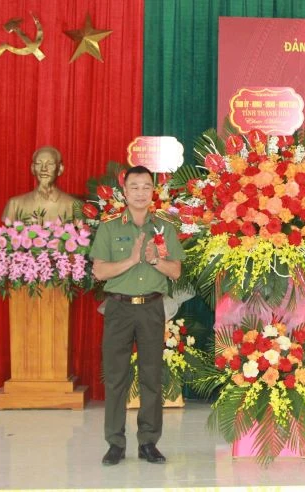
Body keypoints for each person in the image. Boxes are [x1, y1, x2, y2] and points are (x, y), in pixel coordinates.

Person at [89, 165, 185, 466]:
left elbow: (176, 271)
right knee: (116, 377)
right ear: (124, 192)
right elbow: (100, 271)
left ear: (152, 191)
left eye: (146, 187)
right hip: (118, 308)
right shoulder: (110, 227)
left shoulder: (164, 228)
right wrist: (131, 260)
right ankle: (115, 443)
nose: (141, 192)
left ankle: (148, 443)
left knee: (151, 377)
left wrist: (156, 260)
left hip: (151, 308)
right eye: (135, 187)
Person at [2, 146, 79, 222]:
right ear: (32, 168)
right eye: (39, 163)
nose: (44, 169)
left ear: (60, 169)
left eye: (50, 164)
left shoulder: (73, 206)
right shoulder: (15, 204)